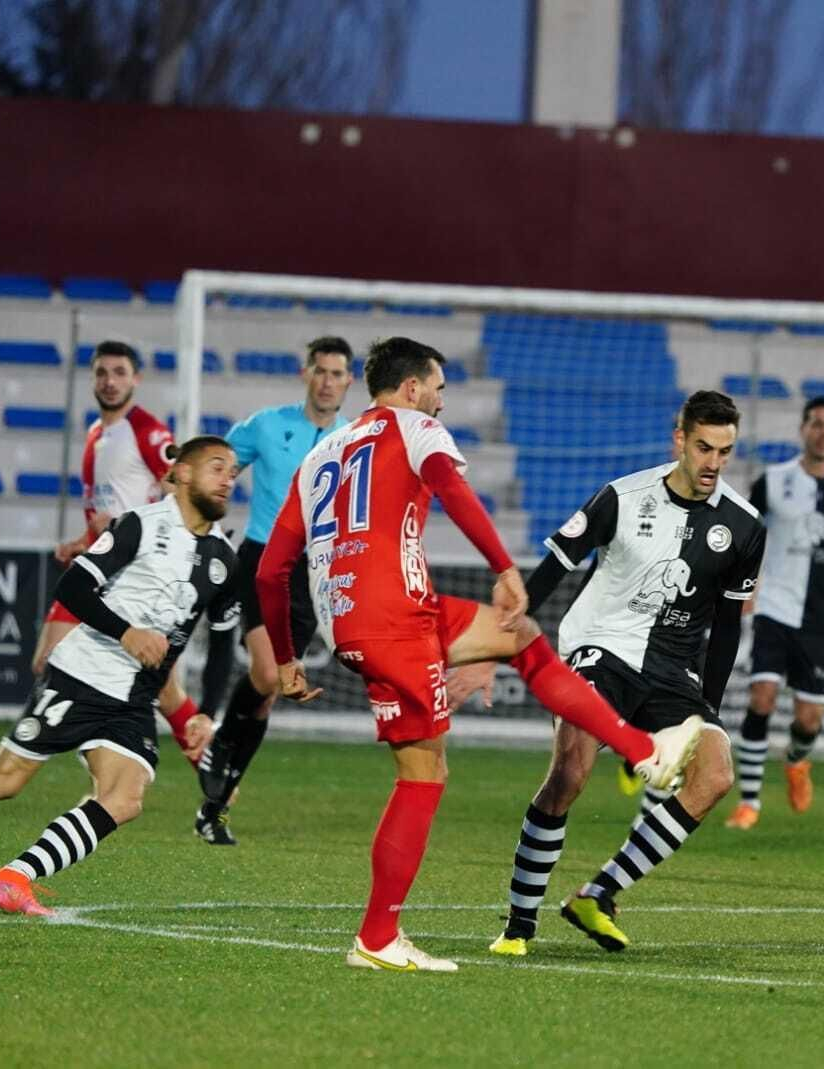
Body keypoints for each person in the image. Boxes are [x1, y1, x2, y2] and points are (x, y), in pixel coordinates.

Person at [254, 336, 702, 973]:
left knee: (517, 641)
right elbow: (456, 494)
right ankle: (378, 938)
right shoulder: (414, 429)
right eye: (437, 387)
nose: (441, 400)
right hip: (397, 620)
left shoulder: (321, 452)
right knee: (425, 776)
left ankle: (637, 751)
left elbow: (272, 571)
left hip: (357, 624)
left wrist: (287, 655)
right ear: (411, 389)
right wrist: (502, 567)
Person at [482, 390, 766, 956]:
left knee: (715, 776)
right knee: (570, 774)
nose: (713, 463)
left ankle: (598, 895)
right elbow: (548, 574)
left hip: (671, 667)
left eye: (726, 451)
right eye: (704, 447)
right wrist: (491, 650)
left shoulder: (744, 526)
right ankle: (518, 923)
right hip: (599, 647)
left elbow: (728, 626)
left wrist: (701, 717)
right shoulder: (621, 497)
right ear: (679, 440)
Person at [0, 437, 240, 915]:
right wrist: (127, 632)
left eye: (233, 473)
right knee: (0, 783)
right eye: (217, 468)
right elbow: (74, 585)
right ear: (186, 474)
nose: (228, 480)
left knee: (125, 798)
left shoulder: (222, 560)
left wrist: (207, 715)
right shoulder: (139, 526)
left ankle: (13, 876)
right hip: (82, 675)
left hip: (134, 697)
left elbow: (222, 645)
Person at [192, 335, 354, 845]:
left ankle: (213, 809)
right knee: (267, 671)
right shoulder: (266, 426)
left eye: (338, 374)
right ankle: (216, 744)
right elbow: (216, 465)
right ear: (306, 374)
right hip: (261, 559)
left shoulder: (354, 438)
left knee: (269, 695)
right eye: (321, 371)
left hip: (313, 573)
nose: (328, 381)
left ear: (349, 382)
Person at [34, 340, 213, 766]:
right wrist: (83, 540)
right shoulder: (98, 433)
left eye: (119, 372)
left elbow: (178, 490)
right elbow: (106, 509)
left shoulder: (148, 431)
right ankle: (212, 768)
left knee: (156, 683)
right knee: (51, 661)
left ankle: (210, 766)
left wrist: (140, 535)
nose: (109, 382)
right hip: (99, 566)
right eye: (101, 373)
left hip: (132, 573)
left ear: (136, 379)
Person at [722, 395, 824, 830]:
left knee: (809, 719)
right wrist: (746, 583)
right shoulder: (774, 481)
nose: (823, 432)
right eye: (816, 424)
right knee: (762, 697)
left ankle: (797, 761)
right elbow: (747, 534)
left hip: (821, 618)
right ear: (802, 429)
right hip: (774, 605)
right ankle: (749, 802)